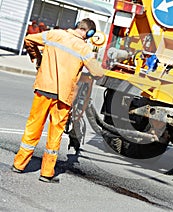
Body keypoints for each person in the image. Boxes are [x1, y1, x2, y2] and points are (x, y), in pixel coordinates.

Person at [12, 18, 105, 183]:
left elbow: (29, 40)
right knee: (55, 134)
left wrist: (38, 58)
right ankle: (46, 173)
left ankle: (19, 164)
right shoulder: (83, 48)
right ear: (89, 33)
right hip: (62, 96)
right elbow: (98, 73)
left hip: (43, 88)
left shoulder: (53, 35)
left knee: (33, 127)